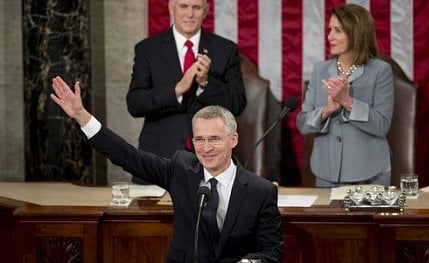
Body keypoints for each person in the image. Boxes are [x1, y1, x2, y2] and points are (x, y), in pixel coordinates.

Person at [50, 76, 282, 262]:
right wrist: (82, 117)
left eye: (214, 139)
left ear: (233, 140)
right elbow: (129, 156)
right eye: (199, 139)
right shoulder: (181, 169)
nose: (206, 148)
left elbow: (271, 252)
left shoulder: (260, 191)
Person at [126, 0, 247, 185]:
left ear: (205, 11)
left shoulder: (225, 50)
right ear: (171, 8)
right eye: (183, 6)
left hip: (210, 159)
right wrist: (177, 90)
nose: (189, 14)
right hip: (158, 158)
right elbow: (135, 103)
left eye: (196, 8)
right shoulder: (148, 50)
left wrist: (206, 83)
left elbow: (237, 104)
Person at [296, 4, 394, 187]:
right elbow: (303, 124)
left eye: (337, 30)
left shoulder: (380, 71)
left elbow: (382, 125)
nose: (329, 37)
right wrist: (326, 110)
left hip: (369, 174)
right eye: (330, 30)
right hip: (326, 172)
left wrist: (348, 102)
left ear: (356, 33)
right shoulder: (319, 70)